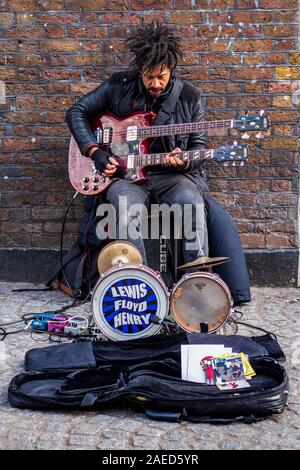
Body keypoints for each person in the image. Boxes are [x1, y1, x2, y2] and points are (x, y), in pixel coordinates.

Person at [66, 23, 251, 305]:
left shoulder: (190, 98)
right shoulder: (118, 87)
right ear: (140, 70)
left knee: (191, 202)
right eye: (149, 77)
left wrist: (183, 161)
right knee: (126, 209)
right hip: (127, 177)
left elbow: (198, 148)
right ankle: (141, 285)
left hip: (172, 176)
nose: (155, 83)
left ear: (171, 69)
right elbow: (76, 111)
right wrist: (95, 152)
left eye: (161, 77)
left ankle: (197, 284)